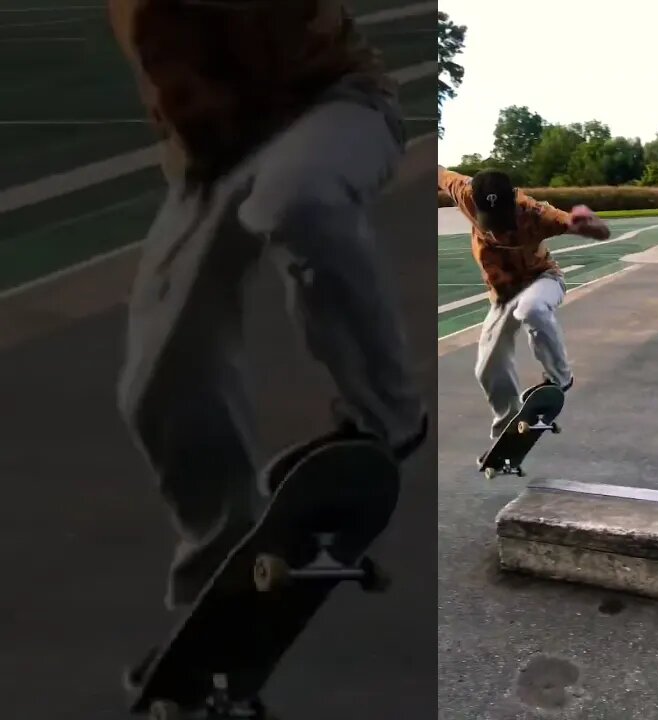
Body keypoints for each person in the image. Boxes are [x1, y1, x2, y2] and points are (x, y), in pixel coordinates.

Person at [108, 0, 427, 682]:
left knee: (297, 198)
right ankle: (218, 576)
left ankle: (388, 415)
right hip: (213, 152)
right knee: (155, 381)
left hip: (337, 107)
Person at [437, 166, 610, 443]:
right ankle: (508, 423)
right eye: (490, 222)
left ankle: (560, 378)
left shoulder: (535, 214)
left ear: (513, 200)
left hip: (543, 280)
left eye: (503, 220)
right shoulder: (464, 192)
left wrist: (592, 224)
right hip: (502, 296)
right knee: (487, 367)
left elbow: (601, 233)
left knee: (531, 309)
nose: (498, 231)